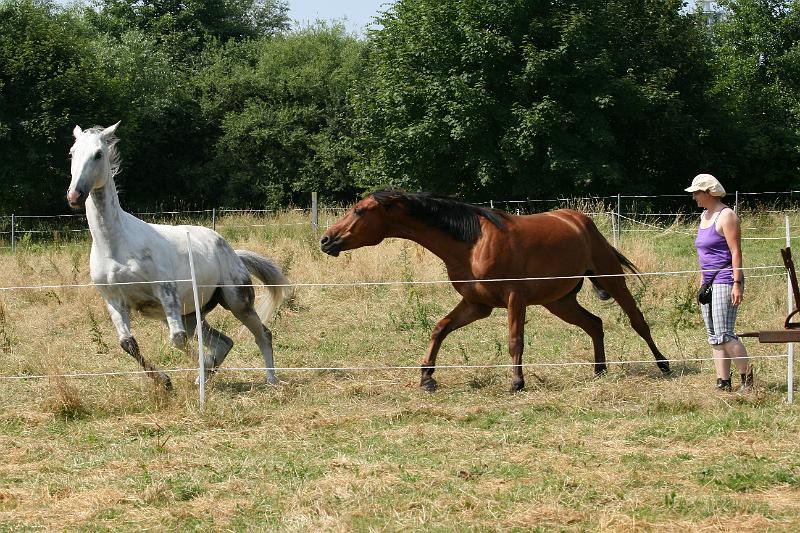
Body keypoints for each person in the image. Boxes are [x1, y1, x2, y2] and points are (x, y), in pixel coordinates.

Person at [685, 173, 753, 392]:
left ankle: (748, 379)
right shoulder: (704, 216)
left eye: (697, 192)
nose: (694, 196)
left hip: (725, 280)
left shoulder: (727, 216)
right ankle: (723, 382)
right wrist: (702, 282)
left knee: (725, 333)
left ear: (709, 193)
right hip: (708, 283)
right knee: (714, 337)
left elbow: (736, 252)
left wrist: (736, 282)